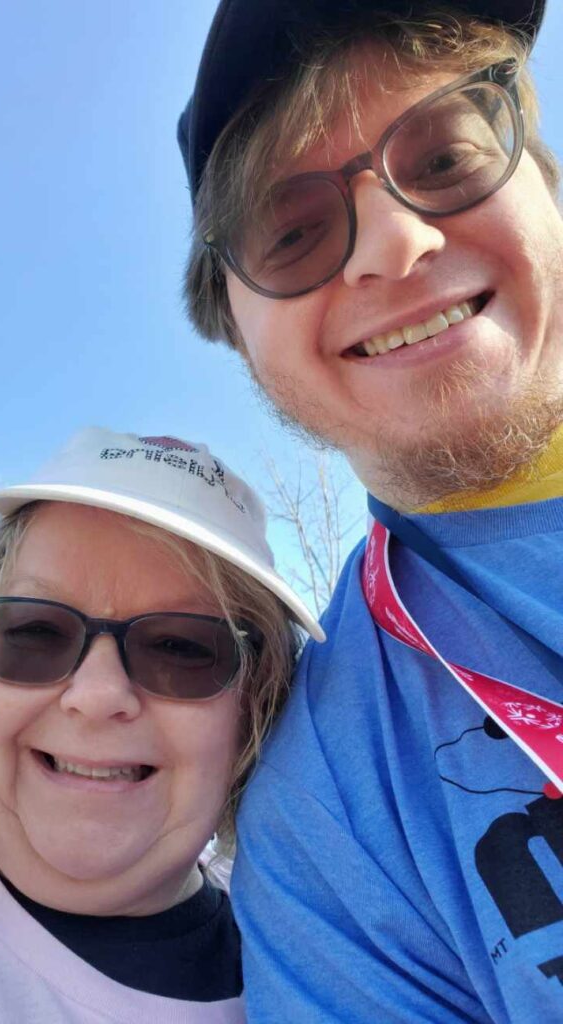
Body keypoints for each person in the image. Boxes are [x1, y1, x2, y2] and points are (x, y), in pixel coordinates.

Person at [178, 1, 563, 1021]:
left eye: (444, 162)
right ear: (236, 333)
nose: (394, 244)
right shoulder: (330, 816)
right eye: (293, 233)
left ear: (546, 182)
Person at [0, 427, 319, 1023]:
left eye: (180, 647)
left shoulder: (349, 982)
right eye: (37, 632)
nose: (96, 696)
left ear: (257, 709)